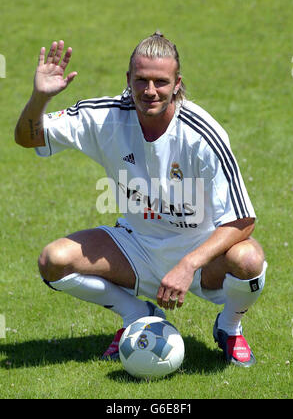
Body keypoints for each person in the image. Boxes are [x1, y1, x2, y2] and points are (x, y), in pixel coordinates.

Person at [15, 32, 267, 367]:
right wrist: (38, 98)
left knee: (249, 259)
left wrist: (187, 264)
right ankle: (136, 313)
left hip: (200, 253)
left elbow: (243, 221)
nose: (150, 91)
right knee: (53, 260)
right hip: (135, 246)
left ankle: (229, 327)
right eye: (141, 80)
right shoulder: (103, 117)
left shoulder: (202, 134)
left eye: (160, 82)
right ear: (128, 81)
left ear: (177, 83)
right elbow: (28, 139)